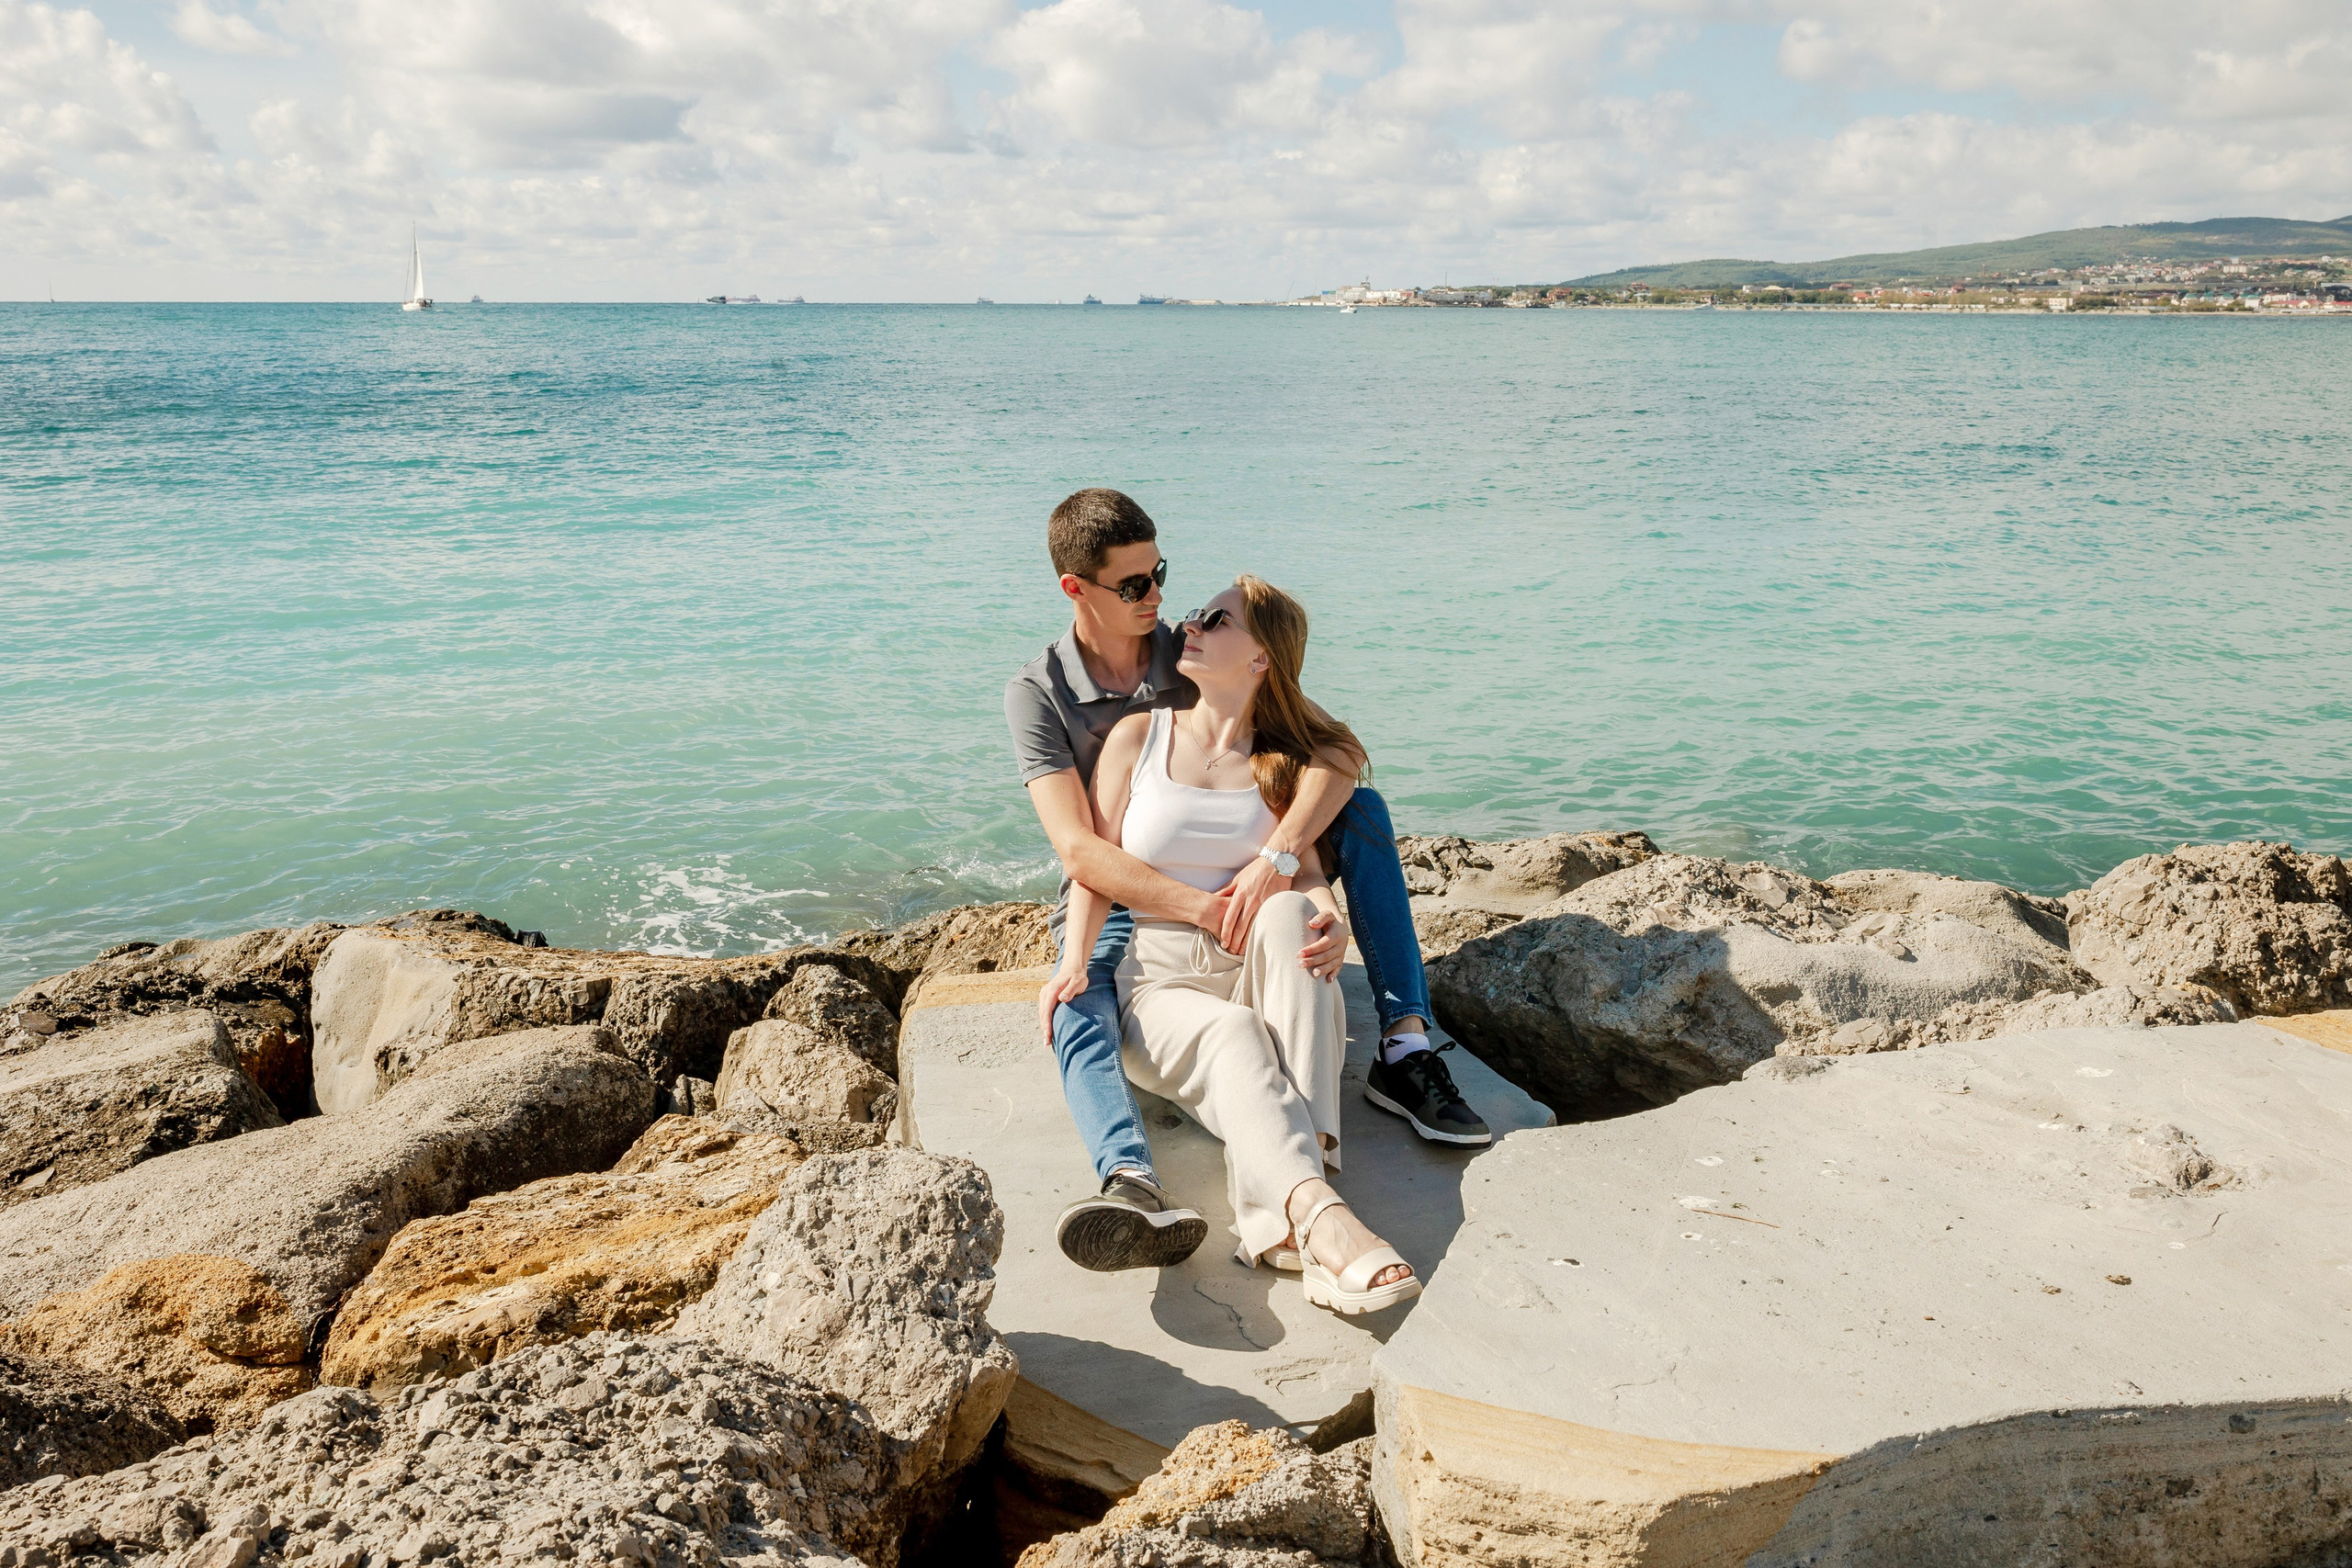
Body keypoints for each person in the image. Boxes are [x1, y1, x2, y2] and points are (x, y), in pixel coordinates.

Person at [1004, 488, 1489, 1277]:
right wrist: (1147, 929)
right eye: (1134, 587)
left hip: (1245, 915)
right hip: (1122, 894)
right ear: (1077, 590)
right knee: (1081, 996)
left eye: (1160, 577)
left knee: (1356, 818)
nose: (1162, 604)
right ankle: (1131, 1177)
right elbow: (1082, 852)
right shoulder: (1045, 694)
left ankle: (1398, 1046)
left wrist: (1288, 866)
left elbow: (1334, 750)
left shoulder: (1185, 651)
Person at [1058, 575, 1419, 1314]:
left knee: (1291, 917)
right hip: (1161, 986)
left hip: (1257, 969)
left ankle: (1289, 1205)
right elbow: (1095, 862)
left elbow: (1312, 872)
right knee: (1232, 1032)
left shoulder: (1280, 764)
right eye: (1196, 612)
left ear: (1261, 659)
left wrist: (1330, 915)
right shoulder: (1139, 736)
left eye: (1216, 619)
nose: (1190, 623)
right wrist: (1073, 965)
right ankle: (1319, 1214)